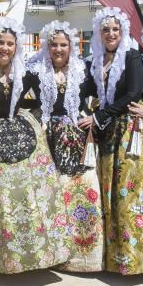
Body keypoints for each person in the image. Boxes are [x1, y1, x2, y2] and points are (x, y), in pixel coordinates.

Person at [0, 16, 68, 273]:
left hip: (21, 131)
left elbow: (42, 100)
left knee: (29, 192)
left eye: (10, 43)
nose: (5, 48)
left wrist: (35, 117)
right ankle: (4, 257)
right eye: (0, 42)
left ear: (17, 46)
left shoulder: (25, 74)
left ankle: (37, 251)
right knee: (0, 196)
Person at [82, 7, 143, 275]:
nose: (110, 34)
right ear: (99, 32)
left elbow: (133, 92)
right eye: (106, 29)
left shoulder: (132, 56)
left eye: (115, 29)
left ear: (123, 31)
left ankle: (139, 258)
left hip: (131, 130)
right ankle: (114, 257)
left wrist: (99, 116)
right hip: (108, 130)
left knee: (130, 191)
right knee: (112, 191)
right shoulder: (94, 60)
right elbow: (87, 90)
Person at [27, 20, 104, 272]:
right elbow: (16, 94)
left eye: (63, 45)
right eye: (54, 45)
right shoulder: (35, 69)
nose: (59, 49)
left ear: (71, 47)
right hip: (46, 135)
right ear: (46, 47)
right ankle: (54, 253)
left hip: (76, 134)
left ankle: (85, 256)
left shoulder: (83, 70)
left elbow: (104, 93)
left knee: (83, 187)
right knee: (52, 190)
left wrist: (93, 116)